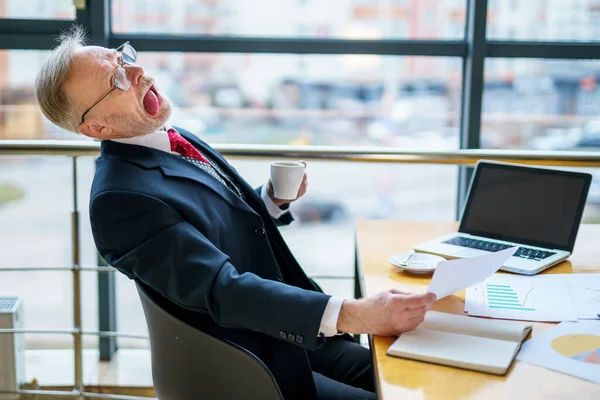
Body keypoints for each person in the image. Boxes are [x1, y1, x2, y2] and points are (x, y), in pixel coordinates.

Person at [35, 27, 436, 400]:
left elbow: (219, 225)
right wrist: (353, 314)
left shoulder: (169, 138)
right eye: (116, 79)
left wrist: (272, 200)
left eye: (122, 58)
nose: (137, 70)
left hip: (291, 336)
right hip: (253, 362)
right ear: (96, 128)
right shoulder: (119, 200)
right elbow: (222, 289)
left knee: (421, 382)